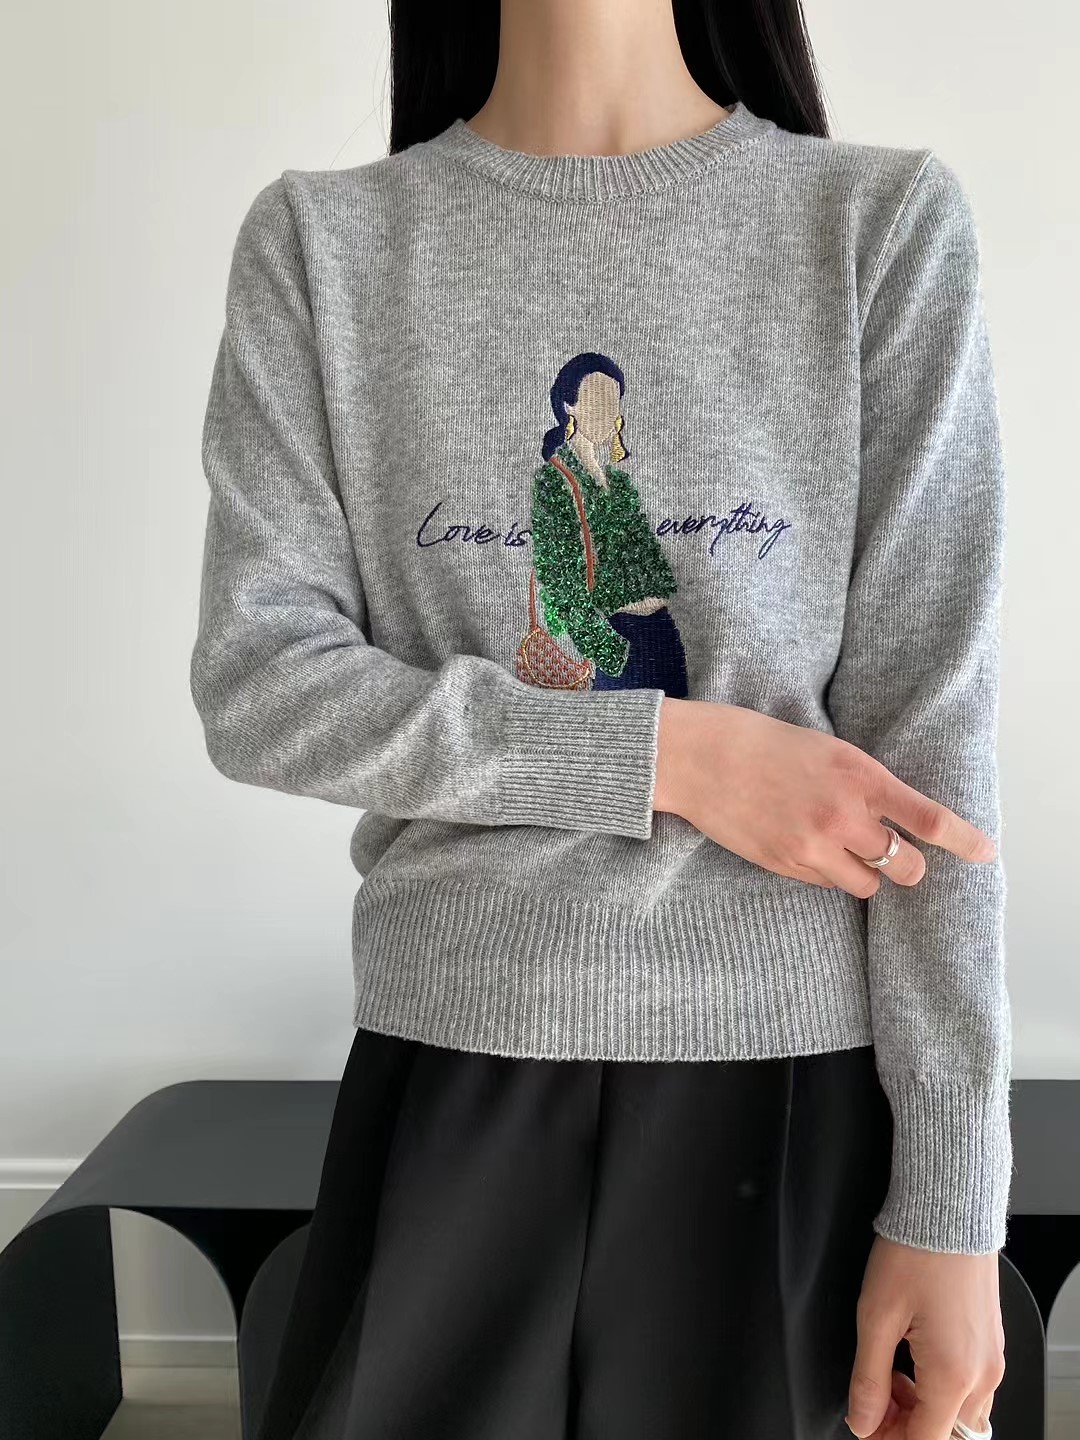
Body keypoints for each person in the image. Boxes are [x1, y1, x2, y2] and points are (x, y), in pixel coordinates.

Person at [188, 2, 1013, 1437]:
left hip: (786, 1095)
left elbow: (932, 753)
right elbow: (263, 686)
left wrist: (952, 1202)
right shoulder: (325, 245)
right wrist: (671, 758)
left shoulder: (876, 226)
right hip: (452, 1073)